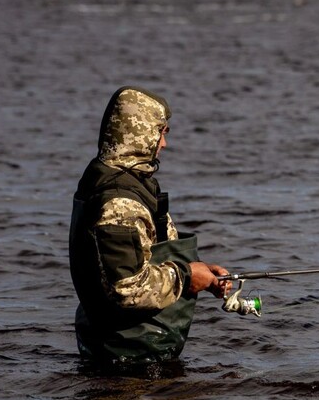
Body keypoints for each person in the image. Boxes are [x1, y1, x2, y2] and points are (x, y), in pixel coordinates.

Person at [68, 86, 232, 369]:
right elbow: (127, 289)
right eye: (162, 132)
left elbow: (148, 254)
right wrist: (186, 276)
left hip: (130, 350)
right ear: (139, 132)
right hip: (127, 357)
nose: (164, 144)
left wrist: (200, 271)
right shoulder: (120, 201)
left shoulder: (124, 180)